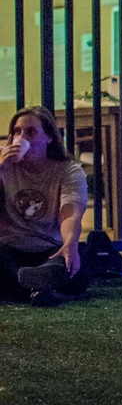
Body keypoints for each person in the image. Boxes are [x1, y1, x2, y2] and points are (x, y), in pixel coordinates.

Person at [0, 106, 90, 306]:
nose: (22, 137)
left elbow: (70, 213)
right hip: (9, 248)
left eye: (31, 132)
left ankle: (30, 282)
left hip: (47, 249)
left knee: (74, 262)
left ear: (49, 137)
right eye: (17, 131)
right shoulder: (2, 161)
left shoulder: (67, 171)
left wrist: (70, 244)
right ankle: (40, 286)